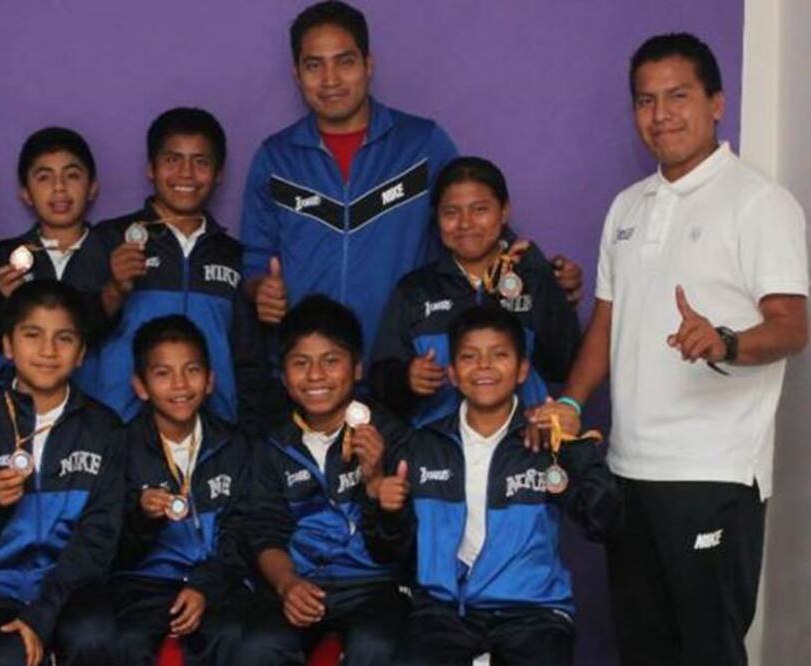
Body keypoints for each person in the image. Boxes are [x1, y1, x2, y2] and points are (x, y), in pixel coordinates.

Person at [559, 33, 808, 666]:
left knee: (707, 650)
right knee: (643, 647)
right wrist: (570, 399)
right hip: (629, 468)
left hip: (713, 471)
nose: (661, 114)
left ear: (716, 103)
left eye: (678, 96)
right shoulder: (627, 207)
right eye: (646, 100)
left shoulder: (760, 203)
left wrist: (725, 340)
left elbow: (792, 324)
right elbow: (607, 325)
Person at [241, 1, 582, 355]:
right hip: (310, 374)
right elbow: (255, 260)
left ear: (368, 64)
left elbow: (472, 232)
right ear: (297, 74)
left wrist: (547, 282)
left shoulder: (423, 144)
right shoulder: (274, 158)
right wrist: (259, 290)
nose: (330, 80)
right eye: (314, 65)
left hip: (411, 367)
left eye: (345, 61)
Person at [362, 305, 618, 666]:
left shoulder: (546, 443)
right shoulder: (424, 446)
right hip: (443, 613)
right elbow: (387, 552)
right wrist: (386, 511)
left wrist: (572, 446)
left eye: (499, 355)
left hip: (533, 614)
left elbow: (601, 519)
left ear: (522, 370)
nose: (483, 366)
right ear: (452, 373)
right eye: (469, 356)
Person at [0, 280, 124, 666]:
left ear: (81, 353)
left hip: (71, 588)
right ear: (8, 346)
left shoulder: (104, 428)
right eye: (33, 336)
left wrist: (41, 614)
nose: (48, 351)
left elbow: (99, 537)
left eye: (64, 338)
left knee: (95, 636)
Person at [239, 295, 408, 665]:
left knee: (376, 647)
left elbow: (403, 546)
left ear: (357, 368)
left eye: (331, 361)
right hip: (299, 580)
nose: (315, 375)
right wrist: (287, 585)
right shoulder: (273, 443)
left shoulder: (388, 435)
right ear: (284, 376)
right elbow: (263, 530)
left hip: (374, 585)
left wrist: (376, 479)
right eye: (301, 363)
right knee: (256, 647)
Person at [92, 107, 270, 434]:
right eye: (173, 159)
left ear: (218, 173)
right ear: (151, 167)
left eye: (201, 161)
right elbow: (77, 331)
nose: (186, 174)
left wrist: (248, 434)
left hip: (215, 438)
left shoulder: (233, 255)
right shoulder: (110, 239)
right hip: (120, 430)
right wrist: (114, 290)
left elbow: (249, 361)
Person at [370, 156, 580, 425]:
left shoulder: (533, 274)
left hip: (523, 451)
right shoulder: (415, 290)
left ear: (504, 211)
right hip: (437, 455)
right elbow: (380, 383)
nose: (465, 223)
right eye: (451, 213)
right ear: (436, 218)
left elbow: (562, 366)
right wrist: (407, 379)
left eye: (480, 209)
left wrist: (540, 278)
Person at [110, 315, 251, 665]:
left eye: (191, 370)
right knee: (123, 641)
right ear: (140, 386)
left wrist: (205, 584)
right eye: (162, 373)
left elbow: (243, 531)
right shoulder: (121, 448)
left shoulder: (235, 445)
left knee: (236, 636)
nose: (180, 385)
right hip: (144, 584)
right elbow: (110, 545)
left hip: (218, 580)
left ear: (210, 381)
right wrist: (141, 517)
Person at [0, 126, 115, 384]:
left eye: (72, 175)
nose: (59, 188)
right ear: (26, 194)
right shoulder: (1, 259)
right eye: (44, 177)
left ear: (93, 188)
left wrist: (115, 289)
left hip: (99, 407)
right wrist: (3, 302)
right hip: (18, 409)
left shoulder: (115, 259)